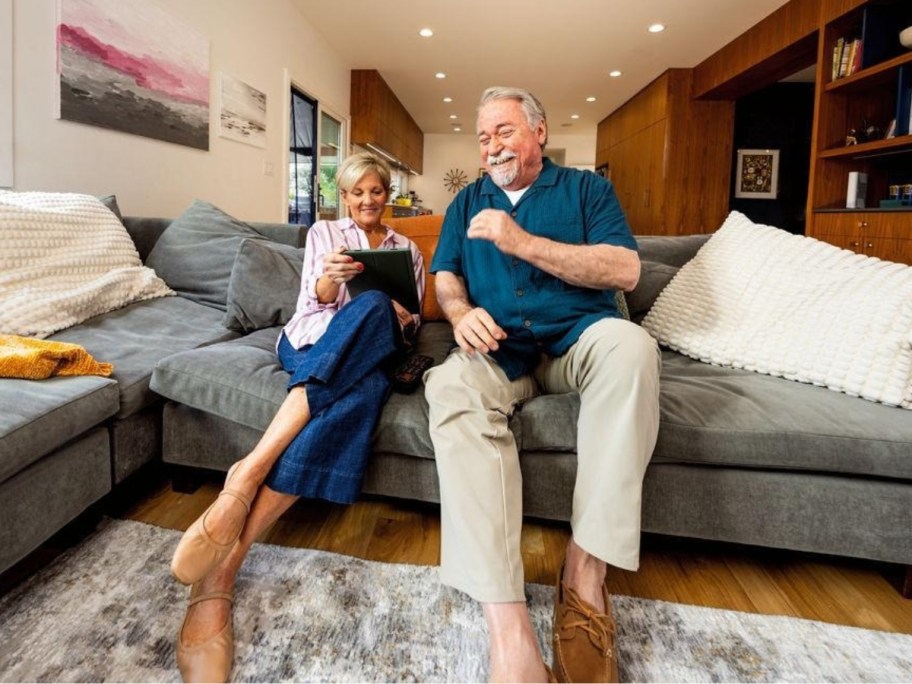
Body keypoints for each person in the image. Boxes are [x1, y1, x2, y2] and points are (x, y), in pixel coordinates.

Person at [424, 87, 661, 683]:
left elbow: (625, 269)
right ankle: (508, 623)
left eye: (504, 131)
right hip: (500, 350)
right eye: (483, 137)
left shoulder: (586, 189)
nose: (492, 146)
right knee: (449, 388)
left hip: (578, 339)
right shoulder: (465, 202)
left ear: (539, 132)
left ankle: (584, 574)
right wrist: (457, 313)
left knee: (633, 348)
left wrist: (520, 240)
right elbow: (445, 275)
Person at [169, 152, 425, 683]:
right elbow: (315, 299)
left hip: (375, 350)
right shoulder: (324, 234)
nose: (368, 200)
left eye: (377, 191)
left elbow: (415, 318)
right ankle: (247, 480)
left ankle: (229, 547)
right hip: (313, 343)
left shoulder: (409, 249)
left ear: (388, 195)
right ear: (344, 197)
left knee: (378, 318)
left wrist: (401, 313)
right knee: (367, 327)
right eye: (357, 193)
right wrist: (334, 282)